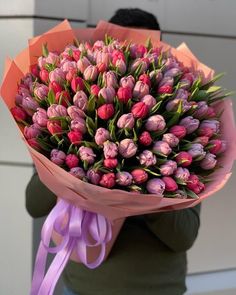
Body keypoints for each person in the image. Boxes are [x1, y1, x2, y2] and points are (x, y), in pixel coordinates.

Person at [26, 8, 201, 295]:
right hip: (81, 286)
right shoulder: (67, 123)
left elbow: (183, 236)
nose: (130, 63)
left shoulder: (182, 131)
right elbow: (34, 204)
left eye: (144, 53)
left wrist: (137, 185)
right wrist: (67, 169)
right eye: (120, 50)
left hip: (158, 289)